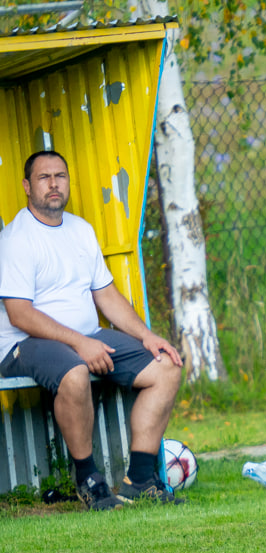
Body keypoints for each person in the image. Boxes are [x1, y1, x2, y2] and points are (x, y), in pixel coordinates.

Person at [0, 151, 185, 510]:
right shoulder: (15, 239)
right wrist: (80, 343)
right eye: (44, 178)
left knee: (167, 365)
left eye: (60, 176)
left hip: (84, 337)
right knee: (74, 371)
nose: (54, 184)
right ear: (26, 186)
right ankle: (90, 481)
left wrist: (147, 336)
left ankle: (141, 480)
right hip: (23, 344)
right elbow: (19, 314)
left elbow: (107, 296)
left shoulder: (80, 230)